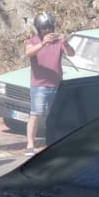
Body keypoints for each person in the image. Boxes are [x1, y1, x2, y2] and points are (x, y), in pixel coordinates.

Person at [23, 12, 67, 154]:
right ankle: (30, 144)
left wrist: (65, 42)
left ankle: (54, 142)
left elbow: (71, 53)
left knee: (56, 115)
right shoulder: (33, 41)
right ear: (38, 28)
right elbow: (28, 53)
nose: (47, 31)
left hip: (57, 85)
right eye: (44, 28)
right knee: (35, 114)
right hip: (39, 86)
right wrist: (43, 43)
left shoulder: (58, 42)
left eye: (49, 27)